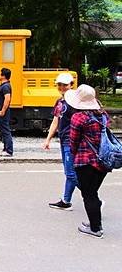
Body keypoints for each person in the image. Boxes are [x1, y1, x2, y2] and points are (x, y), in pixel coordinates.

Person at [67, 84, 111, 238]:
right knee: (93, 192)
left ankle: (95, 229)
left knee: (88, 194)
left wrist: (72, 156)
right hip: (104, 160)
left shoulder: (78, 117)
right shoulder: (102, 115)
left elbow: (73, 141)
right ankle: (94, 222)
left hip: (86, 161)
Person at [43, 72, 78, 210]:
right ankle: (66, 201)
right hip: (63, 140)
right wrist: (48, 139)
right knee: (68, 173)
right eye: (60, 85)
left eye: (65, 85)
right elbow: (55, 121)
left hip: (73, 141)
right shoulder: (59, 102)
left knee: (71, 173)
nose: (62, 87)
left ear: (71, 85)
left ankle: (93, 197)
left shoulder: (76, 102)